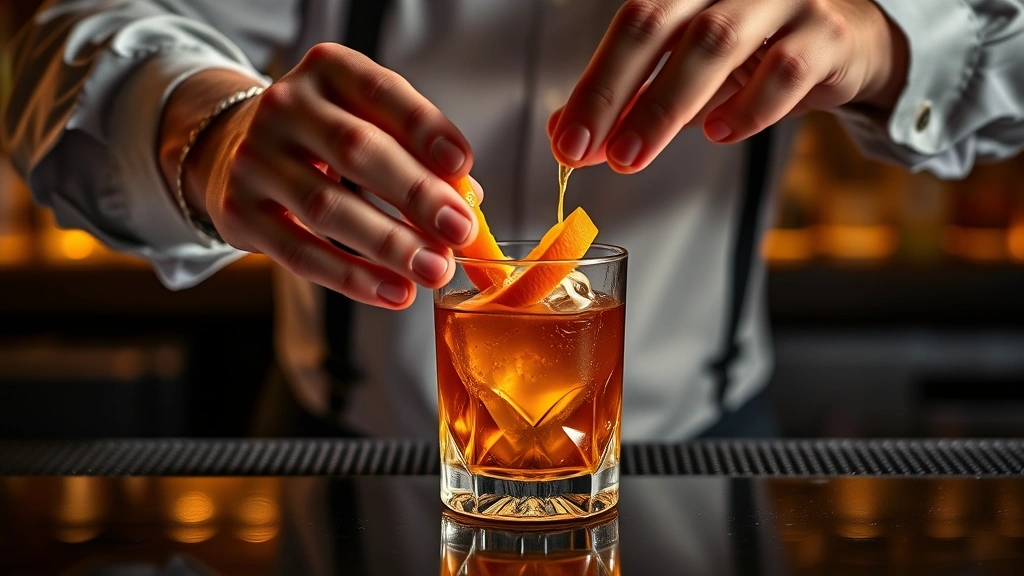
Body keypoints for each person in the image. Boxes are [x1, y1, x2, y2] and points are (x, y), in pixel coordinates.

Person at [3, 0, 1023, 440]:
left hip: (701, 448)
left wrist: (883, 36)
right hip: (350, 450)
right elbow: (60, 40)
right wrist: (203, 127)